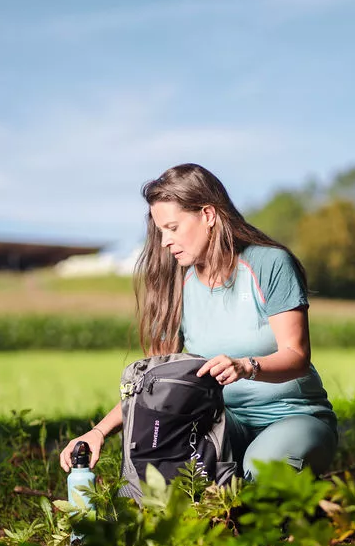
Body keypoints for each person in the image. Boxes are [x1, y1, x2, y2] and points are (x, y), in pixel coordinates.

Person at [59, 163, 338, 482]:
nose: (164, 241)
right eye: (161, 230)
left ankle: (305, 495)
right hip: (224, 423)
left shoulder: (269, 264)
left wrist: (246, 366)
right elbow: (152, 386)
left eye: (173, 227)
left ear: (208, 215)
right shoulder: (179, 289)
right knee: (165, 454)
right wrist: (98, 432)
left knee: (259, 475)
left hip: (293, 417)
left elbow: (297, 357)